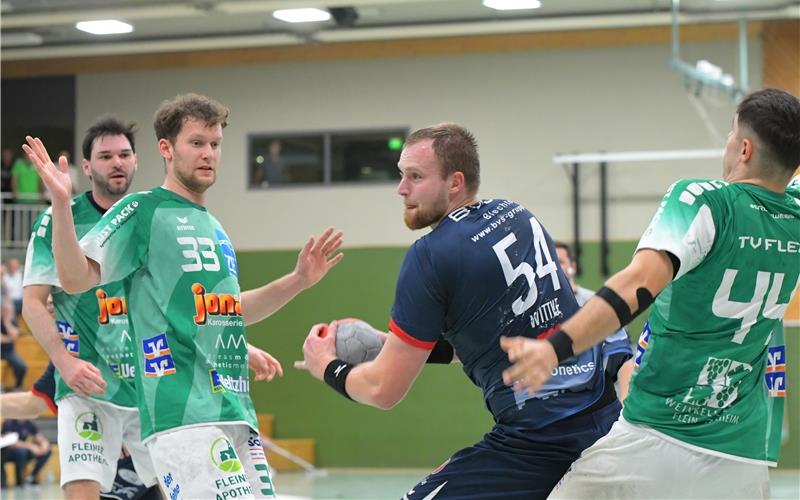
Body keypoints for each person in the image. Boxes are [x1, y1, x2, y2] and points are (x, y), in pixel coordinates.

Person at [23, 92, 343, 499]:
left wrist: (297, 280)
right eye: (196, 143)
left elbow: (227, 311)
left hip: (232, 408)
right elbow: (74, 279)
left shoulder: (214, 226)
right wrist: (63, 205)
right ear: (166, 149)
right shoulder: (143, 209)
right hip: (181, 414)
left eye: (215, 144)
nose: (208, 153)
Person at [297, 123, 632, 499]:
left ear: (455, 182)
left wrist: (326, 366)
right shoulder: (518, 215)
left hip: (537, 442)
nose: (401, 189)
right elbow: (501, 339)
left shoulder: (430, 256)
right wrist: (393, 345)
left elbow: (383, 389)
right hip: (602, 421)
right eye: (401, 176)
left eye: (415, 176)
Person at [501, 88, 800, 499]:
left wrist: (554, 349)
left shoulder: (707, 201)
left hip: (657, 436)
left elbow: (638, 282)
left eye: (731, 134)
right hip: (743, 455)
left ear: (744, 148)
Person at [21, 116, 162, 500]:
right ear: (87, 167)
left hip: (148, 382)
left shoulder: (152, 217)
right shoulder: (58, 219)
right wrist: (64, 363)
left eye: (124, 154)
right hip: (85, 382)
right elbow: (32, 304)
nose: (116, 162)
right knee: (81, 490)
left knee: (171, 487)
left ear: (135, 161)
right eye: (105, 156)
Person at [554, 241, 634, 401]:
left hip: (601, 398)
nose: (557, 268)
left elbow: (625, 356)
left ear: (573, 266)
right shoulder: (545, 311)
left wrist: (625, 401)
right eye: (553, 263)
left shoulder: (595, 302)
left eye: (561, 262)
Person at [0, 418, 51, 488]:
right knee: (21, 452)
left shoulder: (29, 423)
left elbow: (39, 436)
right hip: (9, 451)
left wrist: (44, 444)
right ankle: (20, 481)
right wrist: (31, 446)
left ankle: (31, 477)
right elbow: (11, 442)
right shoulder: (9, 423)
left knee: (47, 451)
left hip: (24, 450)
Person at [1, 297, 27, 391]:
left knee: (22, 366)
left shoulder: (11, 321)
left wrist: (6, 322)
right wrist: (9, 339)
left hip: (8, 352)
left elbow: (15, 336)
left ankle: (17, 386)